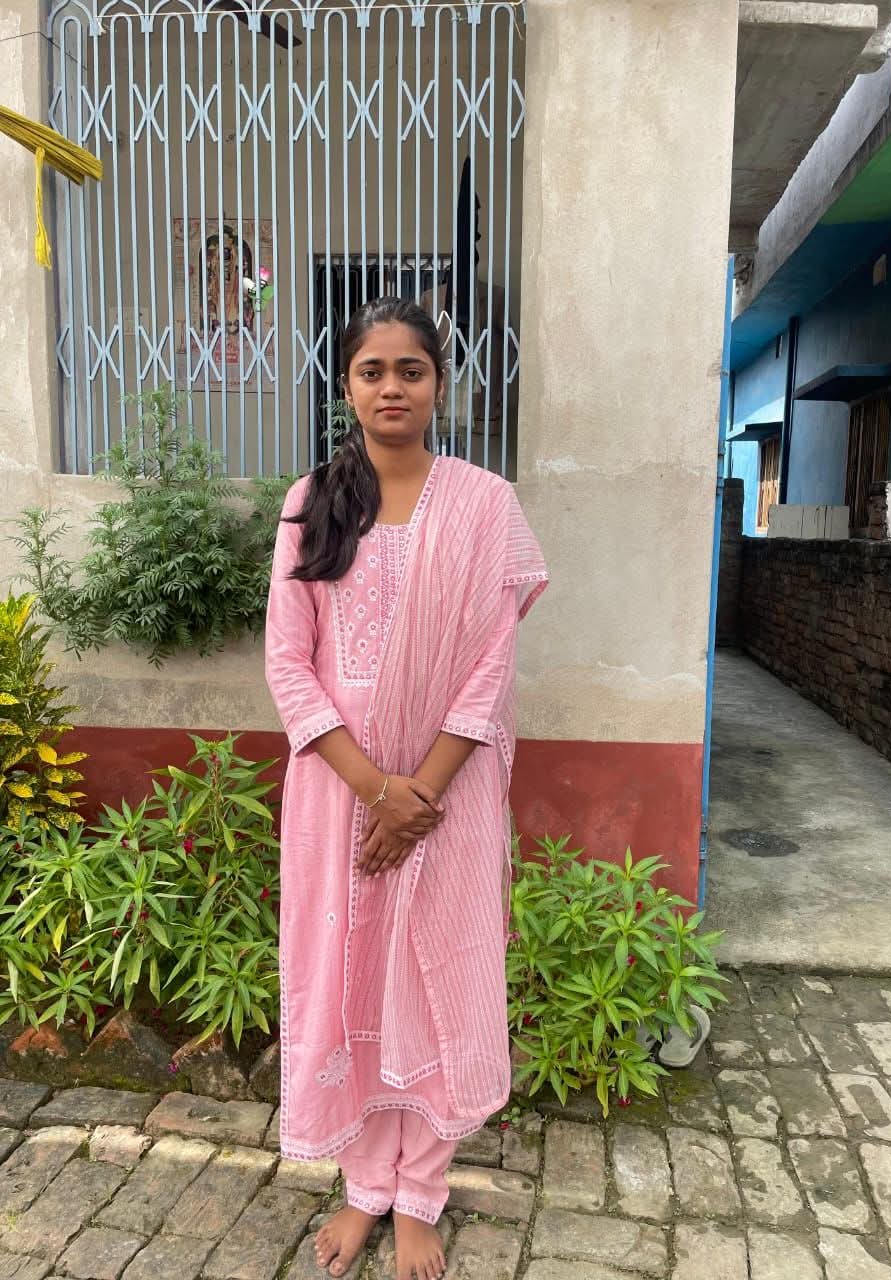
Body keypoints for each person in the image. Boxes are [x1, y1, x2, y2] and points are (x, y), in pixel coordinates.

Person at [264, 297, 548, 1280]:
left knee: (438, 976)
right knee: (348, 975)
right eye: (372, 370)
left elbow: (492, 665)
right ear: (346, 384)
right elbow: (288, 663)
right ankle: (362, 1187)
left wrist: (415, 793)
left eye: (411, 370)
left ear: (439, 382)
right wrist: (373, 790)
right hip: (337, 792)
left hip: (449, 790)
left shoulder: (484, 505)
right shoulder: (312, 503)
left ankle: (421, 1192)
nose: (392, 386)